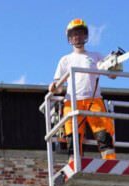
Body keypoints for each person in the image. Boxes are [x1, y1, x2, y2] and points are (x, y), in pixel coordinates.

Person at [49, 18, 117, 160]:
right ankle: (74, 164)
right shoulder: (65, 60)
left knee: (104, 134)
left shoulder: (96, 55)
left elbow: (111, 75)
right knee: (72, 137)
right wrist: (53, 88)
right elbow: (60, 88)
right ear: (69, 38)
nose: (77, 36)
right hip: (71, 102)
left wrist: (114, 63)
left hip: (94, 101)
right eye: (74, 34)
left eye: (80, 33)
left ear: (86, 36)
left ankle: (110, 162)